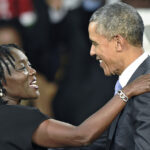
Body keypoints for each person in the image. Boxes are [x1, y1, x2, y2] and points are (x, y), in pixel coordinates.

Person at [0, 44, 150, 150]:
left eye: (29, 64)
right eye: (22, 68)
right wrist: (127, 92)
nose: (32, 71)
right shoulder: (18, 117)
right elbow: (81, 136)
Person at [88, 2, 150, 150]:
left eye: (95, 43)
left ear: (118, 43)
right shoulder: (130, 82)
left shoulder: (146, 90)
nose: (92, 51)